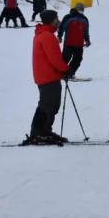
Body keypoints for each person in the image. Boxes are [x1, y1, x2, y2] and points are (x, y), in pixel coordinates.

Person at [28, 10, 69, 144]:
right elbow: (55, 59)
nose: (59, 21)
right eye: (56, 18)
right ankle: (38, 132)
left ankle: (44, 131)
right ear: (52, 20)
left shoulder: (44, 34)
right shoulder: (47, 36)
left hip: (47, 76)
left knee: (50, 105)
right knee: (48, 105)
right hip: (48, 77)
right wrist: (65, 69)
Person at [57, 3, 91, 78]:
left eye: (82, 9)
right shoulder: (68, 17)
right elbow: (62, 27)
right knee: (65, 59)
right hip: (69, 43)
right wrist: (59, 36)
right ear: (76, 9)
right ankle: (60, 73)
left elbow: (86, 31)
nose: (81, 11)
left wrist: (87, 40)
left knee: (78, 59)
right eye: (80, 9)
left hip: (79, 44)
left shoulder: (84, 19)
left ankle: (69, 74)